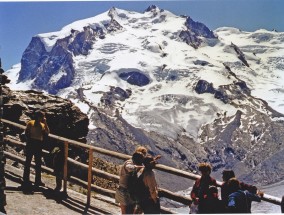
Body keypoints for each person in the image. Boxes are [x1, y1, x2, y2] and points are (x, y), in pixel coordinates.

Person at [22, 110, 50, 187]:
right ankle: (26, 179)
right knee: (28, 162)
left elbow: (47, 132)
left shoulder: (42, 125)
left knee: (38, 163)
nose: (43, 118)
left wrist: (45, 123)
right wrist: (29, 140)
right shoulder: (30, 123)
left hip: (37, 144)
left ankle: (37, 180)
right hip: (33, 143)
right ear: (38, 116)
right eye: (42, 116)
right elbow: (26, 132)